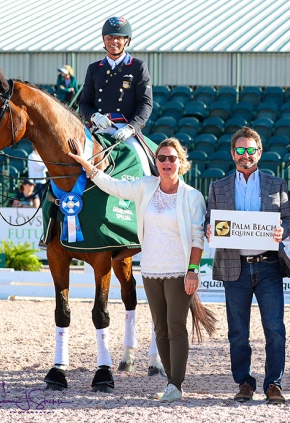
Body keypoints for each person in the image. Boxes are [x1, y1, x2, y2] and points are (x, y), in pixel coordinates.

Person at [67, 136, 205, 403]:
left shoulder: (192, 196)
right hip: (151, 271)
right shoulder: (145, 186)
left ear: (181, 162)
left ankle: (177, 384)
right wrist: (88, 166)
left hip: (179, 271)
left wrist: (192, 270)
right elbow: (114, 186)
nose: (166, 163)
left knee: (176, 328)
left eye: (172, 158)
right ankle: (169, 384)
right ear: (156, 162)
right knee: (160, 329)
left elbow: (198, 238)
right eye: (161, 158)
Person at [205, 126, 290, 405]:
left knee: (275, 328)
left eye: (250, 150)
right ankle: (244, 382)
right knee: (238, 331)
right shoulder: (218, 187)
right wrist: (210, 230)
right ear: (233, 153)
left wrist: (284, 232)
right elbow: (211, 220)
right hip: (235, 266)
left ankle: (273, 384)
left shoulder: (276, 184)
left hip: (268, 266)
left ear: (260, 152)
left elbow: (288, 220)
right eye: (240, 150)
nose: (246, 155)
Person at [79, 16, 154, 175]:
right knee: (75, 165)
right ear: (103, 39)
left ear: (127, 41)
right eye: (109, 37)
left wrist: (131, 128)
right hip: (99, 128)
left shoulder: (137, 67)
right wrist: (94, 117)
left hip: (126, 130)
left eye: (119, 38)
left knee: (145, 169)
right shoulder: (94, 69)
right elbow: (84, 104)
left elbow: (146, 104)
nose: (114, 41)